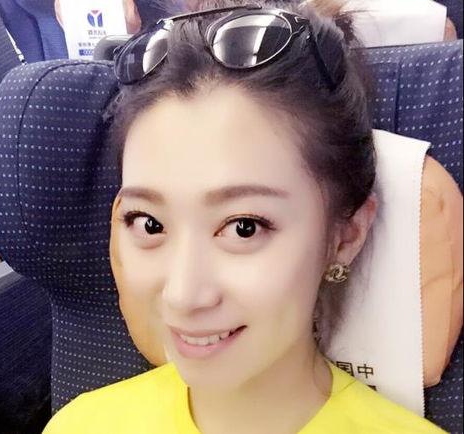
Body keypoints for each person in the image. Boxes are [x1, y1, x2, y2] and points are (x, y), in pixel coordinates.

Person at [43, 0, 445, 433]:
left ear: (345, 236)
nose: (183, 296)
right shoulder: (80, 424)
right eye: (150, 224)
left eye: (244, 227)